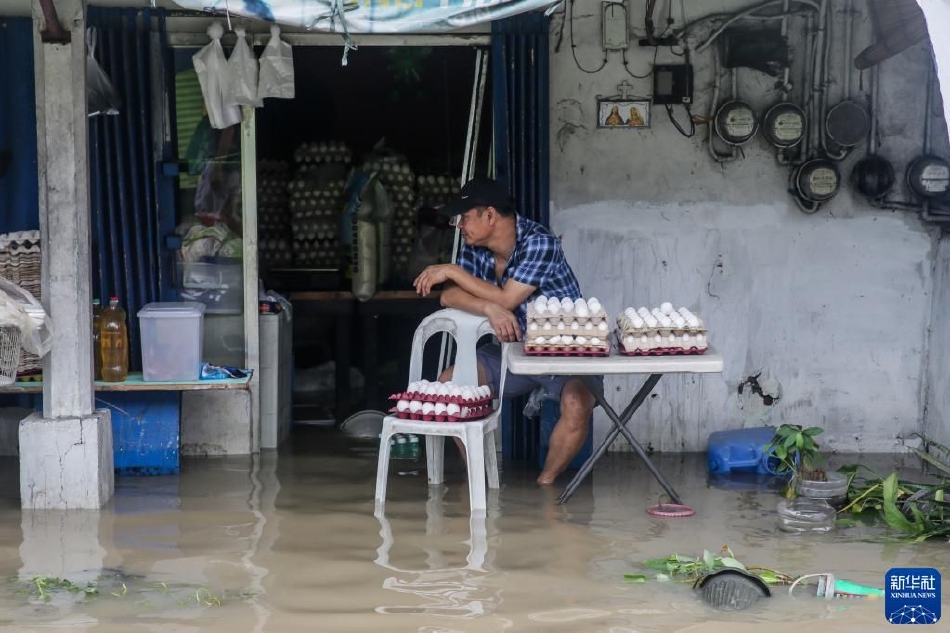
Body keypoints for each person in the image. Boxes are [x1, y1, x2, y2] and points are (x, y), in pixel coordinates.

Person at [413, 177, 599, 485]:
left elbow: (508, 298)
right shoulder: (477, 248)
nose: (460, 225)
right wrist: (489, 308)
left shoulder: (540, 242)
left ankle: (545, 489)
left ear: (489, 216)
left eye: (466, 217)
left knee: (578, 404)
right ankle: (480, 483)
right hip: (512, 351)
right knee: (450, 386)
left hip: (564, 350)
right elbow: (448, 296)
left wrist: (453, 271)